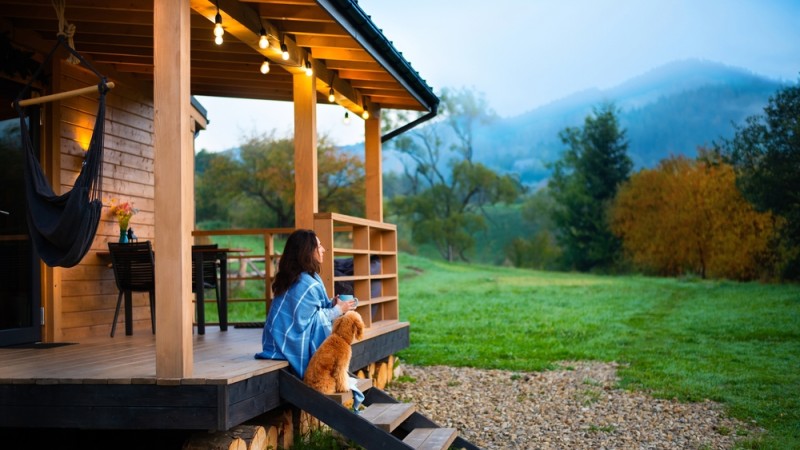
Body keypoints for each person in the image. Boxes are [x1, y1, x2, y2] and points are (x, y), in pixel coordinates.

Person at [254, 229, 356, 379]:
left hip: (274, 340)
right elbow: (306, 322)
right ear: (307, 251)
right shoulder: (306, 283)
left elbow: (309, 312)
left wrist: (331, 304)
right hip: (286, 342)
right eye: (319, 246)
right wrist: (337, 310)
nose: (323, 250)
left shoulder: (302, 276)